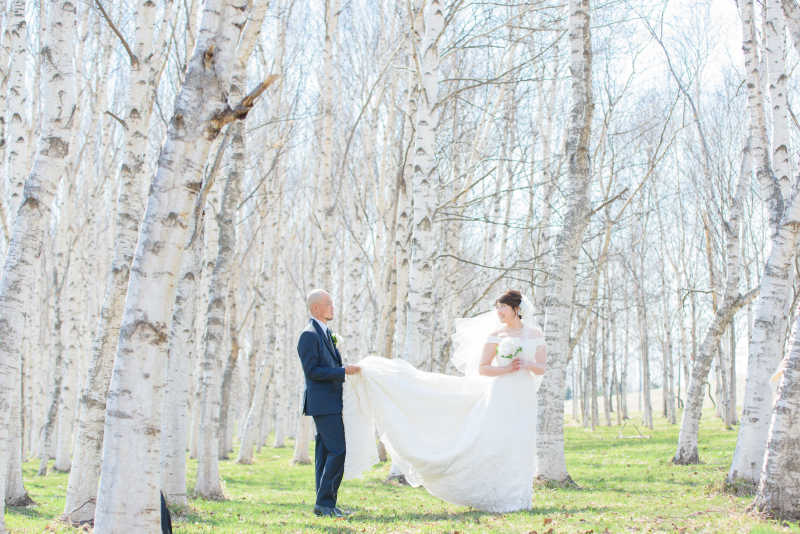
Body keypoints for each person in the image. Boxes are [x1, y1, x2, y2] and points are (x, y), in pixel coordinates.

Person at [343, 289, 546, 512]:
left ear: (517, 308)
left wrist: (528, 365)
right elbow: (483, 368)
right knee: (499, 443)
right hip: (501, 393)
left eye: (502, 307)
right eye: (497, 307)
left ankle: (521, 499)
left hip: (525, 394)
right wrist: (505, 369)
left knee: (522, 441)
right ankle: (499, 497)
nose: (498, 311)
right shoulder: (496, 334)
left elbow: (542, 367)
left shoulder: (535, 333)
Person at [296, 289, 360, 518]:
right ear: (316, 308)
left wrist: (343, 368)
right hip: (322, 403)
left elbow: (327, 366)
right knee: (339, 449)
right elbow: (312, 371)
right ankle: (324, 503)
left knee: (324, 453)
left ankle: (325, 505)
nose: (333, 307)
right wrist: (342, 372)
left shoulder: (326, 332)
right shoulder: (309, 335)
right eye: (328, 303)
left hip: (331, 401)